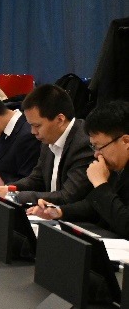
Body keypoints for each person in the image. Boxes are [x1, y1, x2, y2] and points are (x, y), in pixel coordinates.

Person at [29, 100, 129, 237]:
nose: (96, 154)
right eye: (93, 147)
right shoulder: (115, 166)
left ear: (125, 141)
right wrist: (59, 211)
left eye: (99, 147)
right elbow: (95, 206)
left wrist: (100, 184)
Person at [0, 84, 93, 205]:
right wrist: (8, 188)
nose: (33, 132)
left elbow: (67, 196)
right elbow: (37, 179)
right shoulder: (49, 137)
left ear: (60, 120)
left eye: (37, 126)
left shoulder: (84, 144)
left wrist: (15, 196)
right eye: (31, 125)